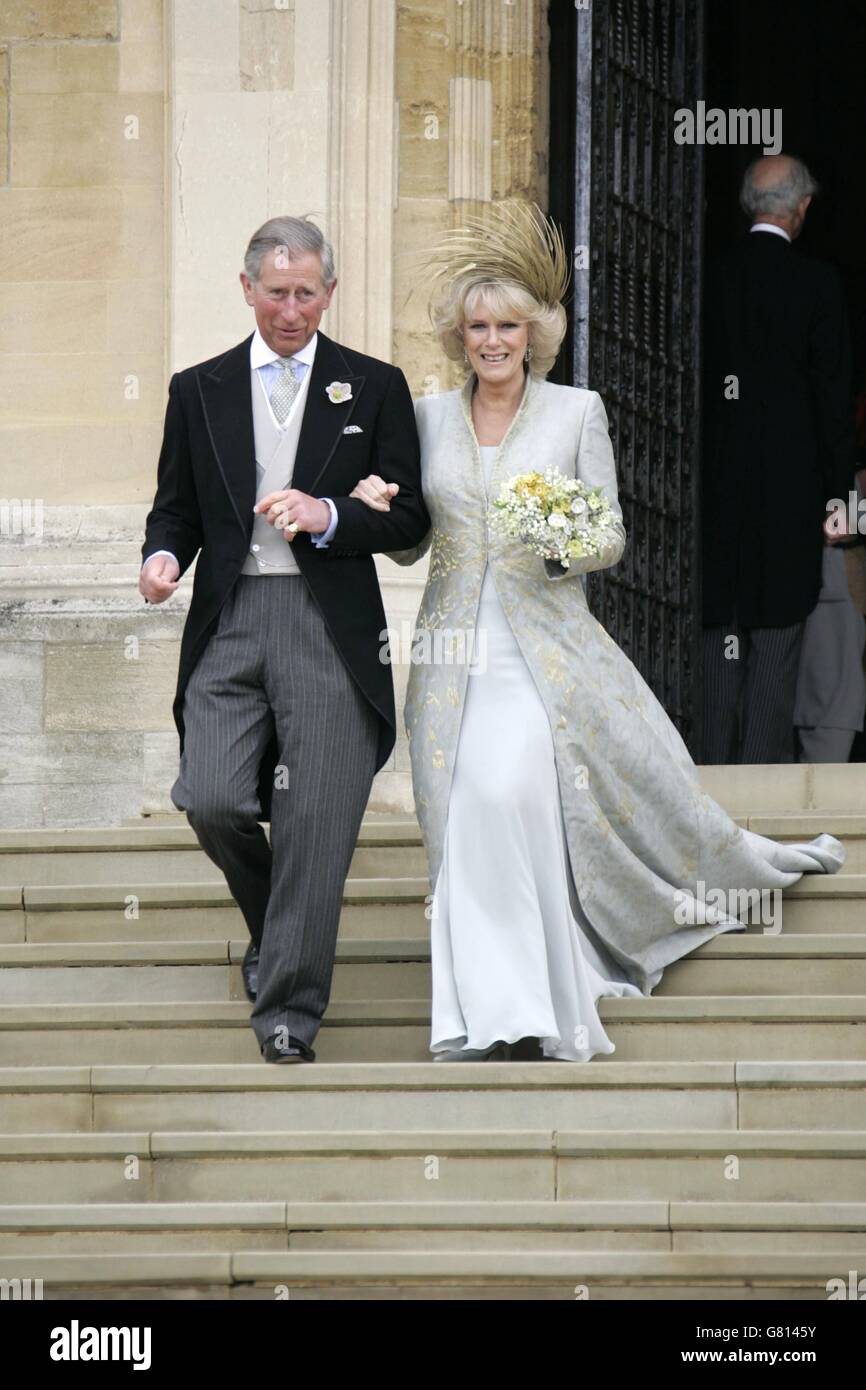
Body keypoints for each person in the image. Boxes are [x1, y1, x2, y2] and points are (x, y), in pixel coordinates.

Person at [350, 202, 846, 1063]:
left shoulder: (576, 412)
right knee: (461, 812)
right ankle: (486, 1013)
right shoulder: (426, 418)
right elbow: (414, 544)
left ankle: (539, 998)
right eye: (477, 326)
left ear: (535, 332)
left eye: (508, 325)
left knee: (513, 796)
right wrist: (373, 509)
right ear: (458, 334)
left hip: (547, 654)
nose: (493, 341)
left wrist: (558, 540)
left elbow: (609, 535)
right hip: (450, 658)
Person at [140, 216, 430, 1064]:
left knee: (317, 820)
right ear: (247, 289)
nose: (292, 308)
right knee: (212, 796)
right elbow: (177, 507)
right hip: (230, 620)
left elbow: (410, 514)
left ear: (329, 293)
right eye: (277, 293)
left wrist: (330, 513)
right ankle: (281, 928)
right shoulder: (199, 388)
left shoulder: (373, 385)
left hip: (329, 626)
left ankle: (289, 1014)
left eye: (308, 293)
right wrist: (161, 555)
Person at [702, 154, 857, 763]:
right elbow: (832, 400)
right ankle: (760, 796)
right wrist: (837, 499)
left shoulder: (709, 276)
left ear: (747, 204)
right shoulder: (817, 284)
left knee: (717, 634)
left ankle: (709, 784)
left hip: (711, 493)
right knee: (776, 640)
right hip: (791, 496)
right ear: (802, 208)